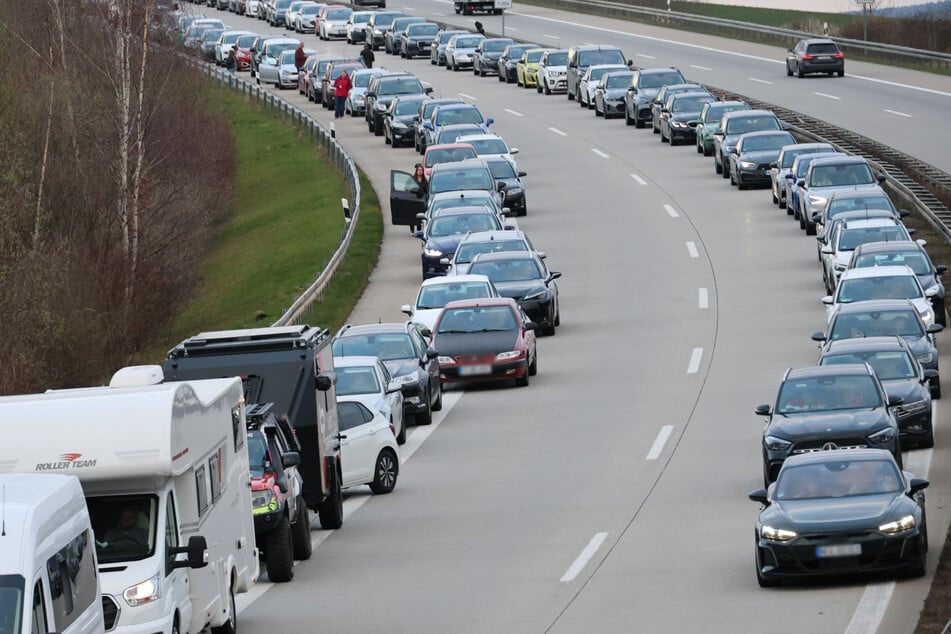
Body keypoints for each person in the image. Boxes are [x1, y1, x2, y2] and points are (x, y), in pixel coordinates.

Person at [411, 163, 428, 234]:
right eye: (419, 170)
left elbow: (427, 190)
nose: (420, 171)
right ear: (416, 171)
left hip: (421, 200)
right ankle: (412, 229)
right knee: (412, 215)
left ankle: (419, 229)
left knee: (420, 215)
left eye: (421, 170)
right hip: (413, 200)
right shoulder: (412, 180)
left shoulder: (425, 181)